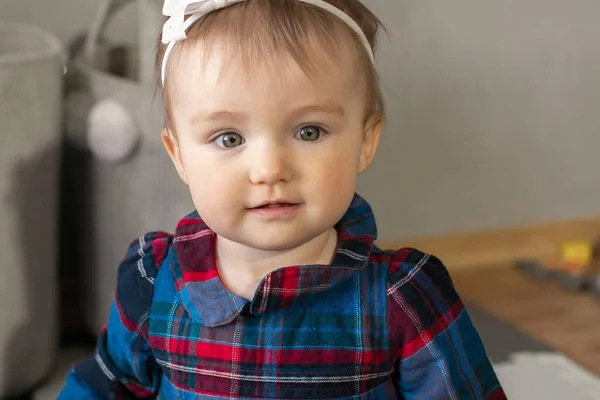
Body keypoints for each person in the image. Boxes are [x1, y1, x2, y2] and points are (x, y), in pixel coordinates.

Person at [59, 0, 506, 398]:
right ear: (179, 156)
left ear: (364, 141)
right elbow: (108, 383)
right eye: (229, 137)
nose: (270, 169)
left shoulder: (402, 297)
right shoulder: (153, 282)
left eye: (308, 131)